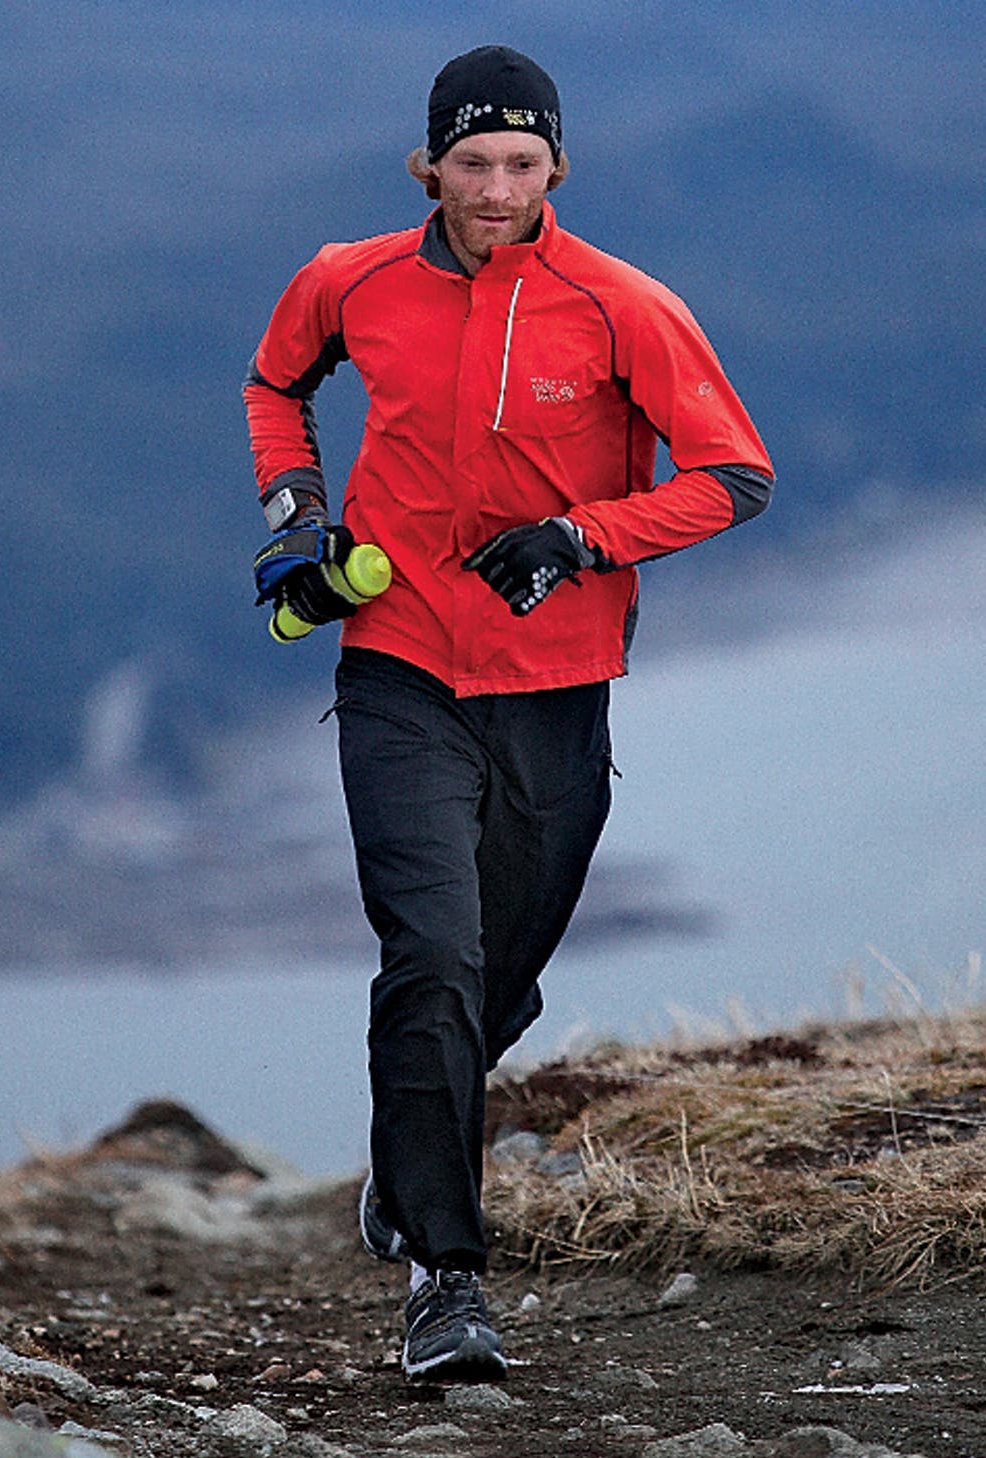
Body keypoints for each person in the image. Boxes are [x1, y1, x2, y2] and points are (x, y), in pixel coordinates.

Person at [243, 44, 773, 1381]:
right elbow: (275, 385)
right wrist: (298, 512)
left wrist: (583, 539)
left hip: (555, 690)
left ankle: (403, 1152)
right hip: (399, 663)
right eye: (470, 163)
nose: (495, 188)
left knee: (496, 981)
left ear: (558, 169)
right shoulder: (345, 278)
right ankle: (446, 1279)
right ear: (426, 166)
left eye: (520, 164)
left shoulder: (624, 305)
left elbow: (735, 478)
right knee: (431, 959)